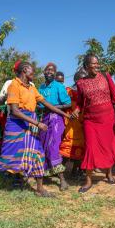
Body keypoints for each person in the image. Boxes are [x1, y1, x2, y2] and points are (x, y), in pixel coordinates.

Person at [0, 61, 70, 197]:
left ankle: (40, 189)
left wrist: (65, 114)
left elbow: (46, 103)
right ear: (24, 71)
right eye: (31, 70)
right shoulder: (14, 86)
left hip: (30, 122)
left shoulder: (32, 88)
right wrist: (37, 123)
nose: (33, 73)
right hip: (17, 124)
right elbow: (15, 111)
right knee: (7, 155)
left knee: (38, 154)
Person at [71, 54, 115, 193]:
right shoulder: (81, 83)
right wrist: (76, 111)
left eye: (97, 63)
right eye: (93, 64)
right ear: (86, 66)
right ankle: (88, 180)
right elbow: (79, 103)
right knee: (90, 147)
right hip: (90, 120)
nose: (96, 66)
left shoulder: (106, 76)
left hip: (107, 119)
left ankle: (109, 173)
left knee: (107, 146)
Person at [39, 63, 72, 191]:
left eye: (52, 71)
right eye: (47, 70)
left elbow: (67, 103)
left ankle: (62, 180)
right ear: (44, 72)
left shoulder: (59, 86)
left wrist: (52, 107)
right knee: (43, 146)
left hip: (56, 119)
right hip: (44, 119)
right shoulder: (41, 87)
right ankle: (46, 173)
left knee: (53, 147)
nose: (49, 72)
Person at [59, 69, 87, 178]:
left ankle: (75, 172)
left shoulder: (86, 92)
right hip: (69, 124)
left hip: (82, 124)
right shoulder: (68, 91)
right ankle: (59, 173)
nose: (84, 80)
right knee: (66, 148)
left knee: (80, 149)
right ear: (76, 79)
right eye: (82, 78)